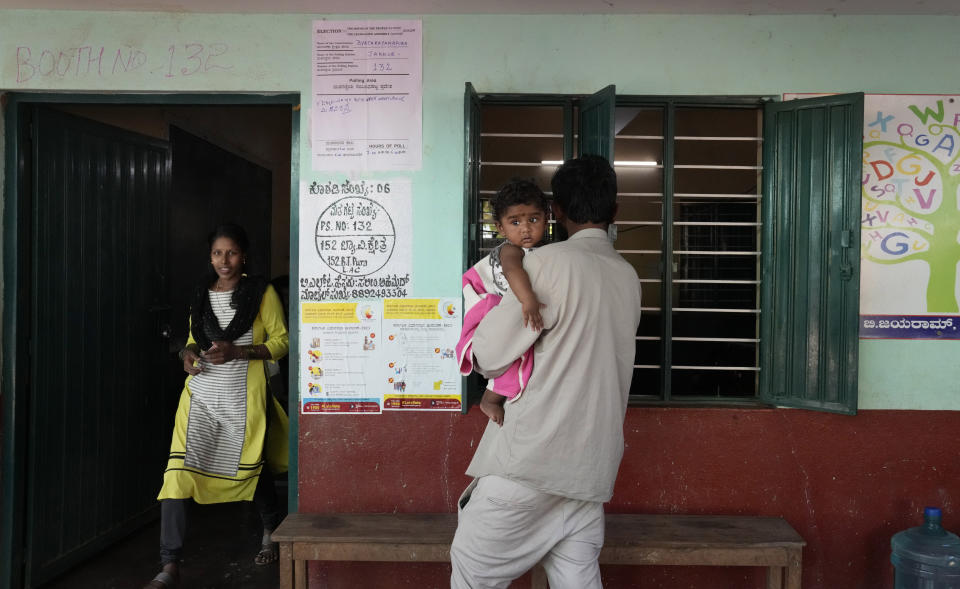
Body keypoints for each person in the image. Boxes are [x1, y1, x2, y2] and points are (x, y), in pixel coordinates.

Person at [450, 155, 642, 589]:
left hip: (529, 464)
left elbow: (488, 354)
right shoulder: (628, 277)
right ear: (614, 212)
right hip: (589, 474)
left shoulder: (546, 265)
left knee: (473, 576)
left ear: (554, 212)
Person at [144, 224, 289, 589]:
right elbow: (194, 339)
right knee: (177, 473)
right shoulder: (200, 293)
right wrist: (187, 355)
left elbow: (282, 341)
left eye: (232, 253)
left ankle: (270, 528)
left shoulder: (262, 292)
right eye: (217, 253)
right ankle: (169, 564)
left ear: (244, 256)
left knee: (249, 467)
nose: (224, 261)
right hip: (203, 395)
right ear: (209, 257)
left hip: (243, 393)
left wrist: (239, 351)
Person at [456, 179, 549, 426]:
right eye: (515, 222)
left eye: (533, 219)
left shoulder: (544, 252)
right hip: (484, 306)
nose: (526, 229)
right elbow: (513, 272)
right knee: (515, 353)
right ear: (500, 227)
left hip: (497, 307)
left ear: (546, 219)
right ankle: (490, 399)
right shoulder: (510, 251)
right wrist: (528, 300)